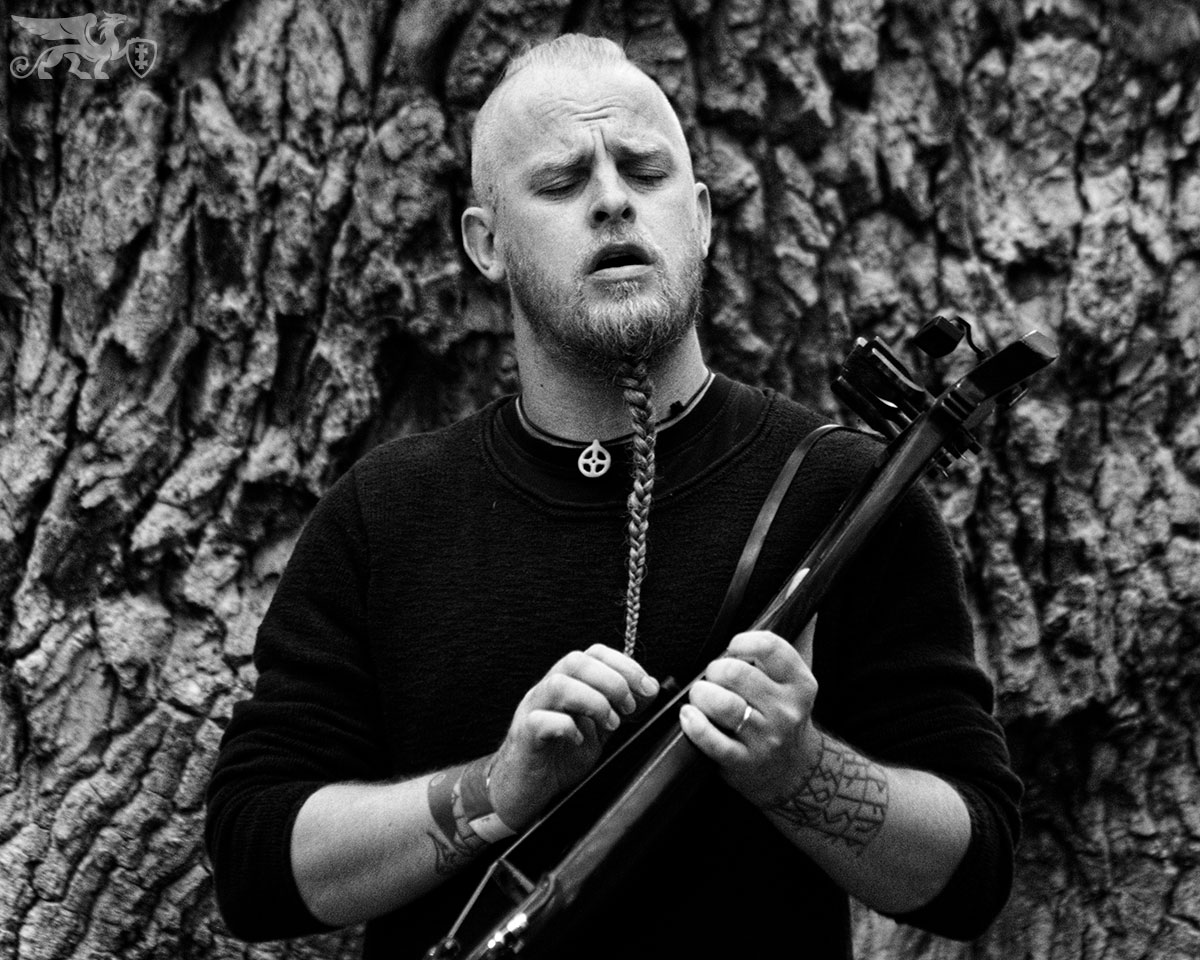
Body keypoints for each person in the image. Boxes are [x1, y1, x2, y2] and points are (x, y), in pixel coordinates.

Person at [205, 34, 1021, 960]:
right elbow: (255, 867)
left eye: (645, 170)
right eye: (560, 182)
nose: (612, 200)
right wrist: (495, 791)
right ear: (486, 244)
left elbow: (975, 874)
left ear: (700, 217)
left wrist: (800, 770)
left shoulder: (846, 492)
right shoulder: (386, 512)